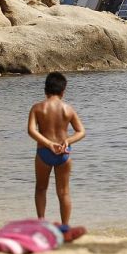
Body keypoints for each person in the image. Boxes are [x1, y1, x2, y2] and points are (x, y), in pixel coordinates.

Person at [27, 72, 86, 230]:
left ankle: (41, 223)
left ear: (45, 90)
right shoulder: (68, 109)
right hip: (63, 154)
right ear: (63, 91)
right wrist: (67, 141)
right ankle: (65, 227)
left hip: (43, 153)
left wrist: (48, 144)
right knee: (64, 192)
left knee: (41, 188)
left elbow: (31, 131)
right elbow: (81, 132)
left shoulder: (38, 108)